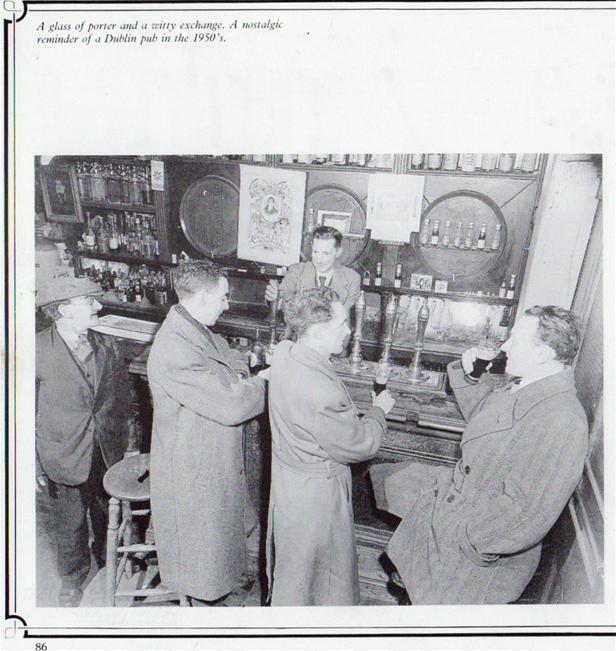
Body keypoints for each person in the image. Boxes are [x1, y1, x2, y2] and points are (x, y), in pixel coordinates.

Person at [370, 305, 588, 604]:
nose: (505, 347)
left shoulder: (562, 419)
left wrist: (464, 538)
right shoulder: (530, 388)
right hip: (455, 531)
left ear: (543, 354)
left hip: (475, 560)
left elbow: (527, 514)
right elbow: (491, 427)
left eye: (516, 340)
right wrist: (472, 375)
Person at [147, 260, 268, 603]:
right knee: (201, 555)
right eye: (223, 297)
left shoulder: (196, 329)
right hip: (192, 463)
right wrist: (262, 382)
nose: (227, 304)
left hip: (209, 451)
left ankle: (222, 592)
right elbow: (231, 406)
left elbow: (228, 359)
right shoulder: (174, 348)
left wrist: (251, 364)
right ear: (200, 297)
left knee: (220, 539)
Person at [266, 287, 395, 605]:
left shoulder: (285, 353)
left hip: (288, 485)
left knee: (294, 572)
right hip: (316, 498)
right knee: (322, 581)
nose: (350, 330)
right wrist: (379, 410)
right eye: (343, 324)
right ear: (319, 331)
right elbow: (361, 444)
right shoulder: (322, 393)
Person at [36, 285, 134, 607]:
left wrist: (128, 446)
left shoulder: (107, 345)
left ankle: (110, 562)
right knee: (70, 520)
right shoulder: (36, 349)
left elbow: (122, 401)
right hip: (63, 452)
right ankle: (73, 579)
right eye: (87, 301)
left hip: (105, 448)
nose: (97, 305)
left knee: (107, 510)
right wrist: (31, 463)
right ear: (63, 309)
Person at [264, 225, 361, 320]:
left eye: (325, 253)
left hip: (334, 334)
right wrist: (274, 298)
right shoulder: (297, 271)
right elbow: (283, 303)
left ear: (338, 252)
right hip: (298, 334)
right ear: (311, 247)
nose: (319, 260)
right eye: (315, 252)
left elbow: (345, 319)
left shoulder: (352, 279)